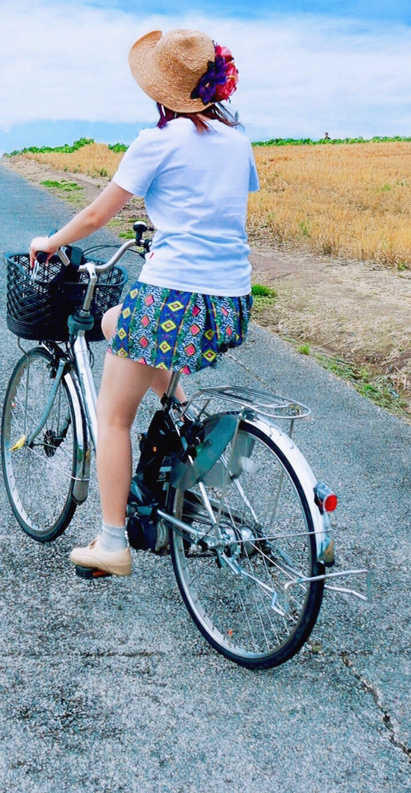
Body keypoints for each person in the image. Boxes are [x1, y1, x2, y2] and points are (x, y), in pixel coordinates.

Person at [27, 28, 258, 577]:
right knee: (115, 321)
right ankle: (183, 417)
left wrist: (50, 243)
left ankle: (112, 543)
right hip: (228, 299)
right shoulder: (238, 140)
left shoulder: (157, 140)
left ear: (162, 91)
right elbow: (211, 207)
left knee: (112, 417)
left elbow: (95, 217)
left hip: (170, 294)